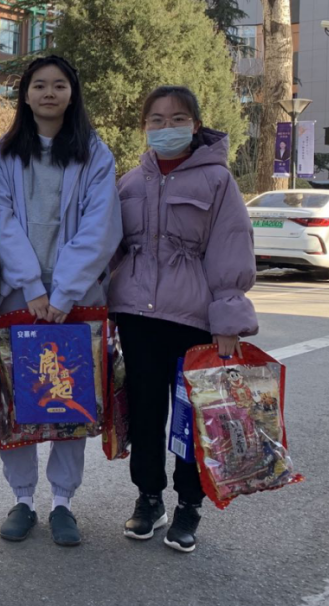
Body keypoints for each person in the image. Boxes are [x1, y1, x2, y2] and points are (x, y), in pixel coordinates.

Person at [109, 85, 257, 554]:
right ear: (144, 127)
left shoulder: (217, 181)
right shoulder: (131, 182)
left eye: (177, 119)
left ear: (195, 125)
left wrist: (227, 321)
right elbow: (112, 248)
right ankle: (149, 497)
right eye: (156, 119)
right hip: (137, 317)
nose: (166, 127)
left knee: (192, 416)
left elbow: (230, 248)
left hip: (194, 320)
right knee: (145, 411)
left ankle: (189, 503)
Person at [0, 55, 121, 547]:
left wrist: (63, 292)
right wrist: (33, 287)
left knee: (69, 397)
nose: (49, 93)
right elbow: (1, 222)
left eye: (59, 85)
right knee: (18, 398)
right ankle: (22, 498)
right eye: (39, 85)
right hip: (18, 297)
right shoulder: (4, 155)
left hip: (76, 299)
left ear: (72, 93)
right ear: (25, 95)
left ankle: (62, 501)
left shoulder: (94, 154)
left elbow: (100, 228)